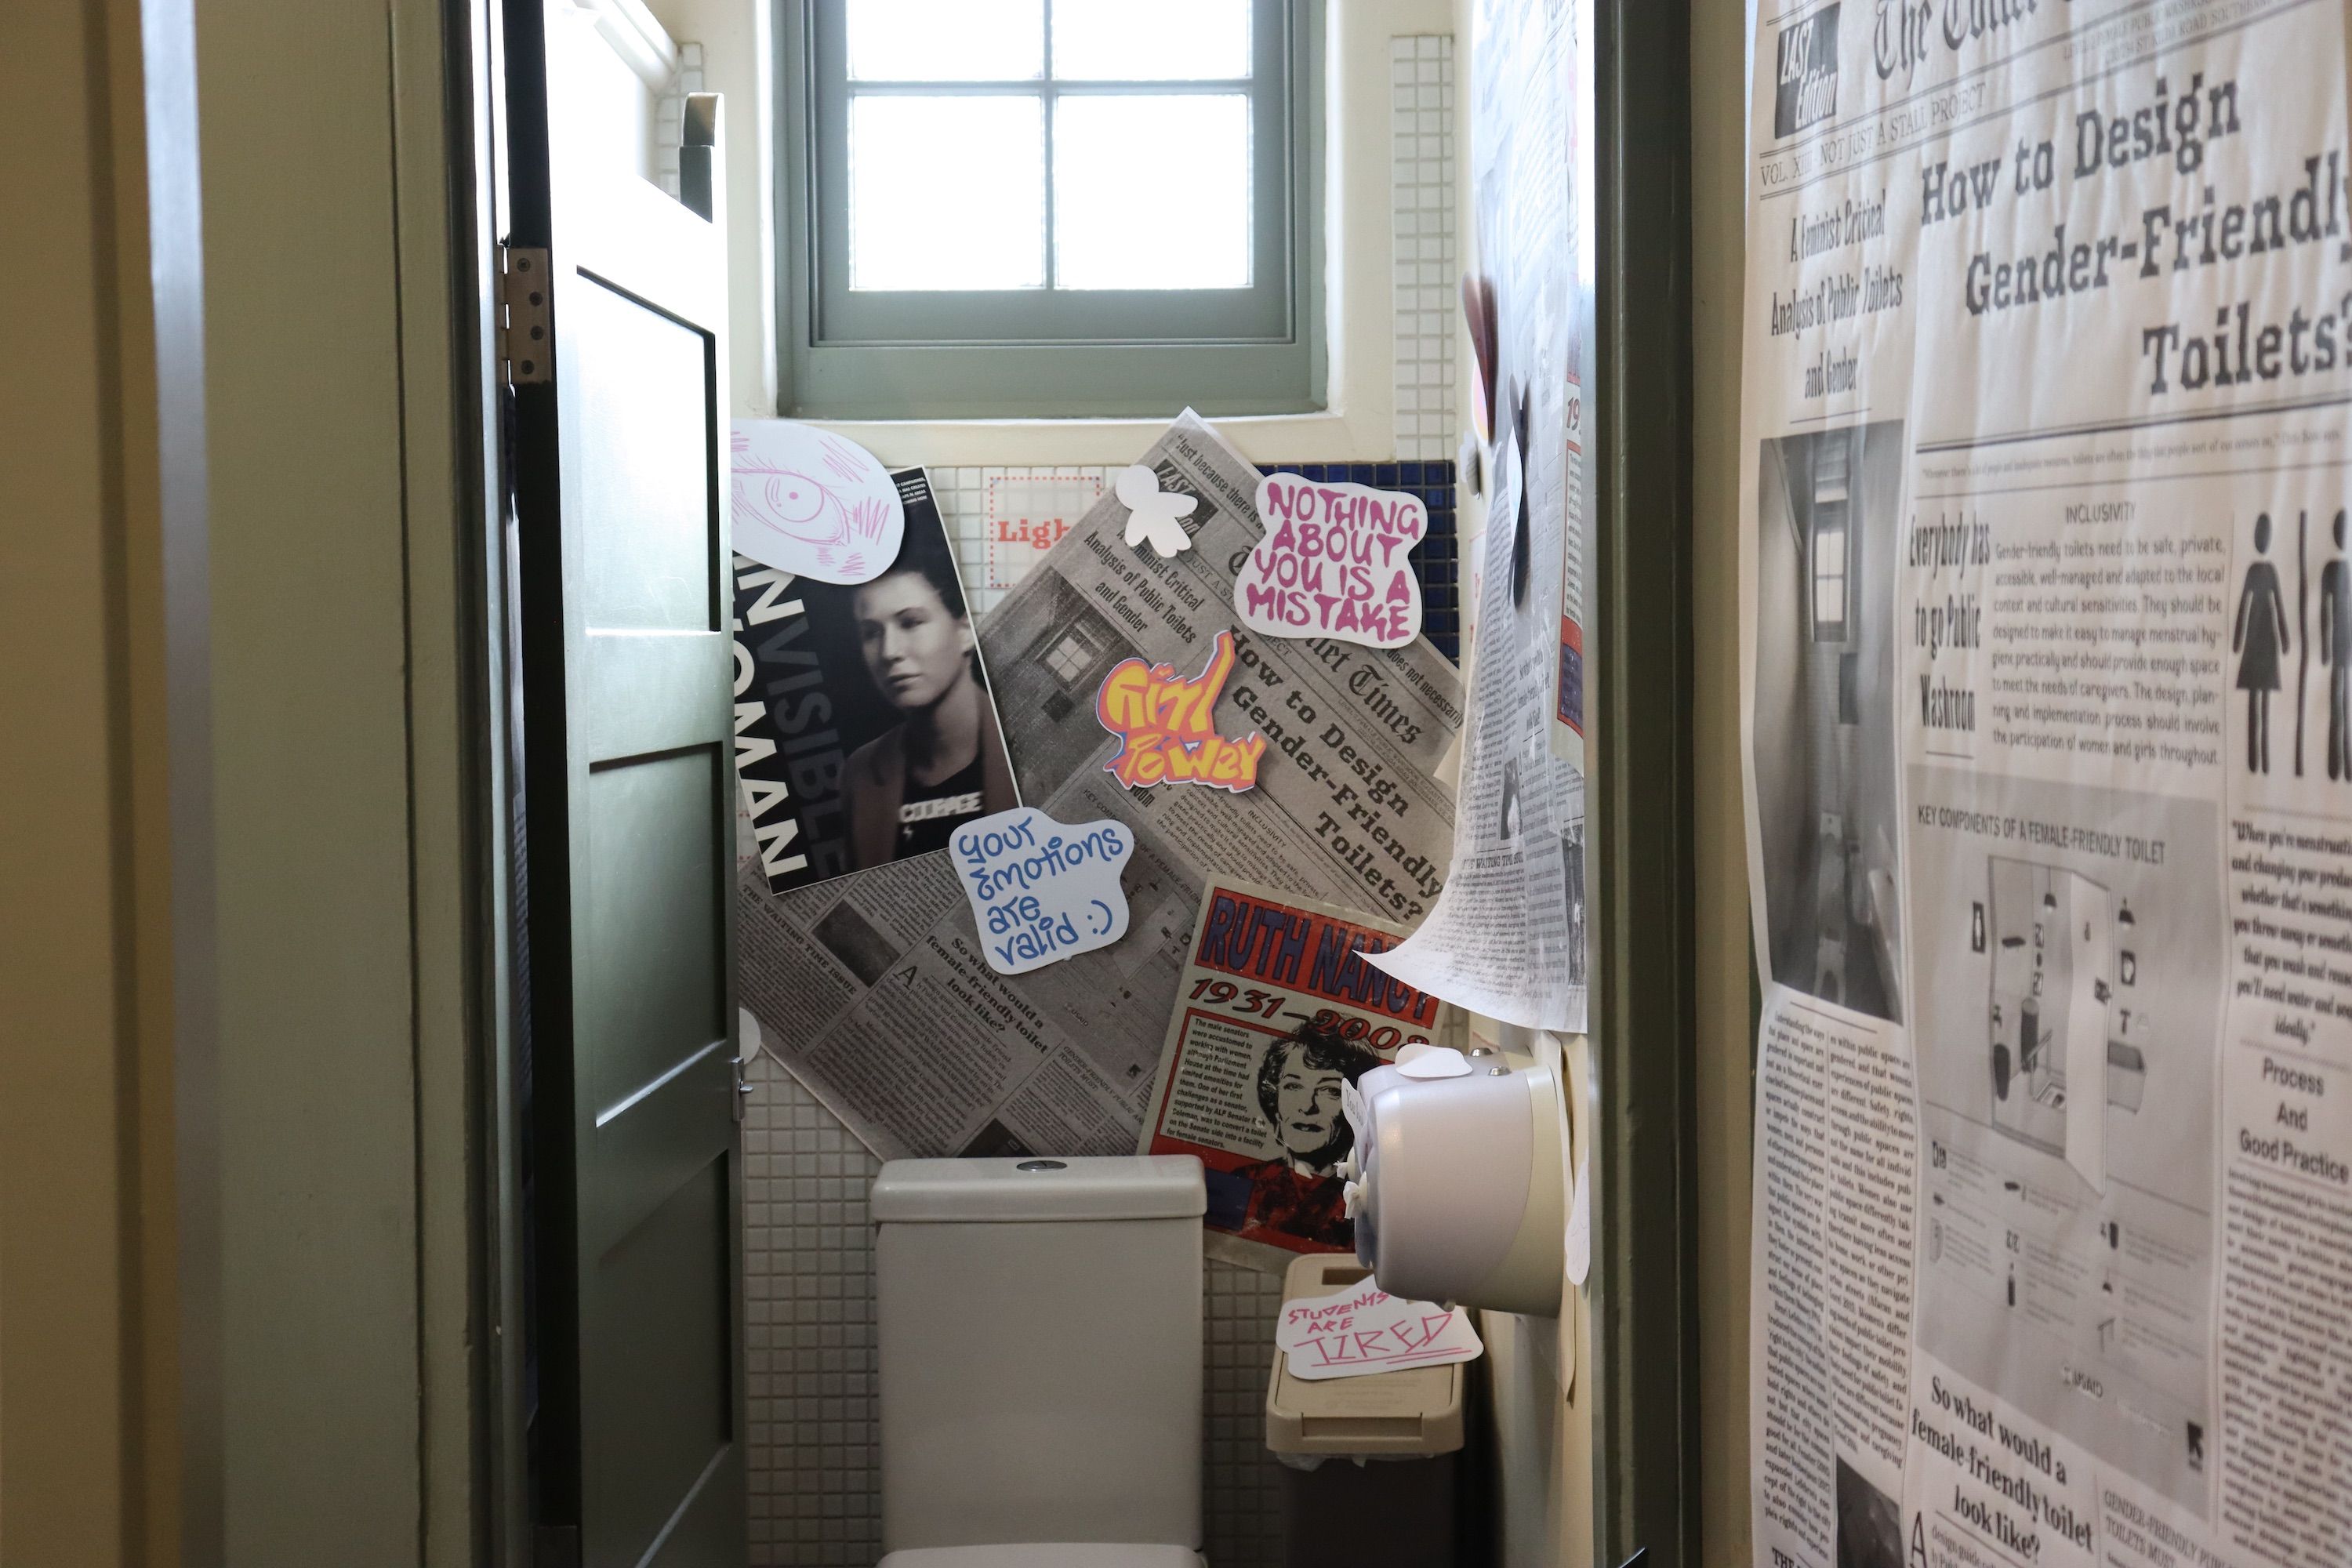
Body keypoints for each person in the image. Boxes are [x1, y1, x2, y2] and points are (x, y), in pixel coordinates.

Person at [841, 531, 1016, 869]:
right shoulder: (859, 773)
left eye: (911, 623)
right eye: (871, 633)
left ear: (964, 631)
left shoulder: (1023, 737)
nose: (890, 652)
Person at [1229, 1018, 1385, 1249]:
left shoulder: (1377, 1200)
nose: (1306, 1106)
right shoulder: (1245, 1179)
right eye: (1293, 1086)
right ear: (1275, 1096)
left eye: (1330, 1090)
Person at [2234, 512, 2289, 775]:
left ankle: (2261, 762)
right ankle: (2255, 761)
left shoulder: (2264, 571)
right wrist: (2236, 640)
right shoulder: (2258, 571)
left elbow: (2277, 603)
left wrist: (2286, 638)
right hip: (2260, 639)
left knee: (2261, 701)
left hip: (2263, 640)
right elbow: (2244, 605)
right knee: (2257, 700)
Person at [2324, 511, 2350, 781]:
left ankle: (2344, 759)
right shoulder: (2331, 569)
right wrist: (2323, 646)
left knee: (2343, 700)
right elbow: (2324, 609)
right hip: (2337, 644)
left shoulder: (2333, 569)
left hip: (2343, 643)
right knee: (2336, 701)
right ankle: (2335, 762)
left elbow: (2324, 609)